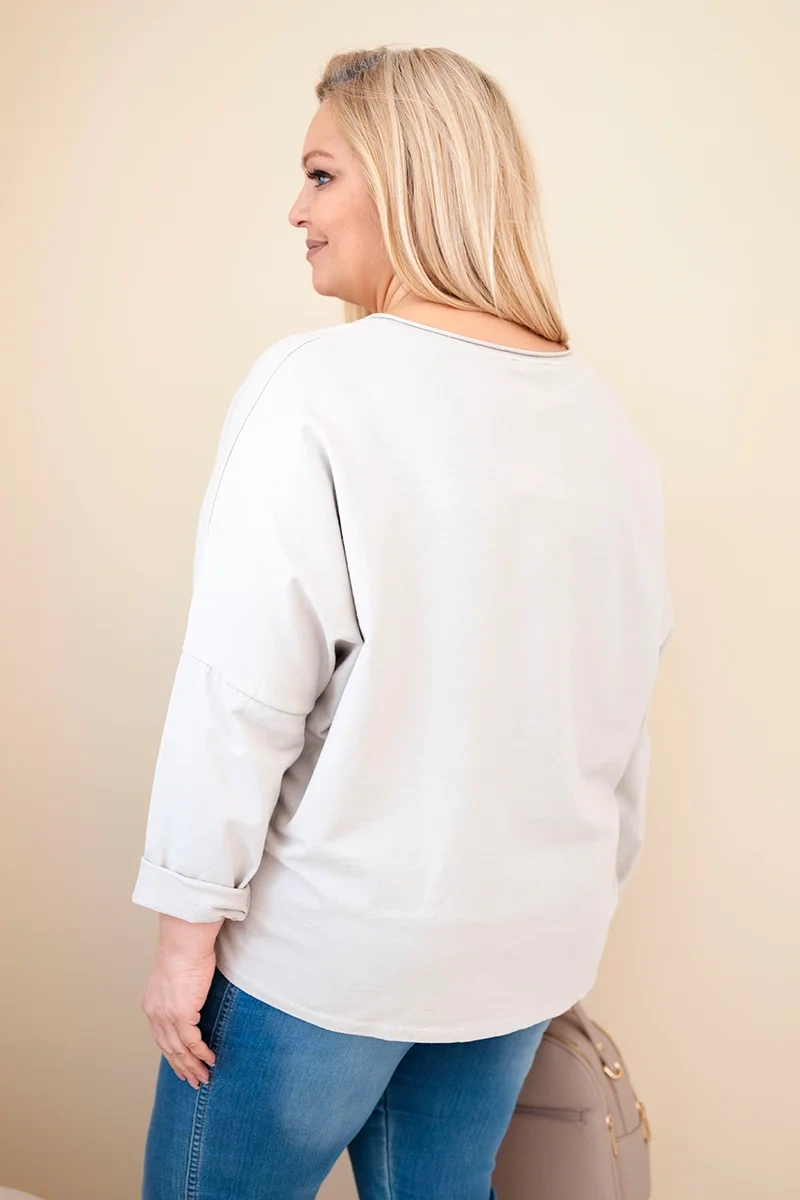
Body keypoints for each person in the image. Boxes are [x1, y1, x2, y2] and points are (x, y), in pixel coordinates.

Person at [132, 44, 674, 1200]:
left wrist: (185, 934)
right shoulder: (602, 421)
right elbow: (618, 711)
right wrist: (563, 913)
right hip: (520, 959)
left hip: (332, 960)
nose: (296, 210)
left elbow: (241, 691)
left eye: (321, 174)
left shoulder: (316, 388)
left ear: (410, 178)